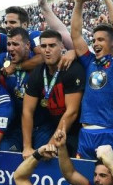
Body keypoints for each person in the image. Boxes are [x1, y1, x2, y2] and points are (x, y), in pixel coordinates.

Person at [70, 0, 113, 161]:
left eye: (101, 40)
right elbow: (76, 35)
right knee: (85, 184)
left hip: (110, 133)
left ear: (112, 43)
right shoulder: (90, 62)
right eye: (94, 40)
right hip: (85, 134)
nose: (95, 43)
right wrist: (79, 2)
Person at [22, 29, 85, 158]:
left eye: (52, 45)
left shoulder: (72, 69)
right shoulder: (37, 73)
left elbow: (72, 112)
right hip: (52, 125)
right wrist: (27, 147)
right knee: (37, 155)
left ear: (62, 47)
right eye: (43, 46)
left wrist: (51, 145)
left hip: (76, 129)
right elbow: (27, 111)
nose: (47, 50)